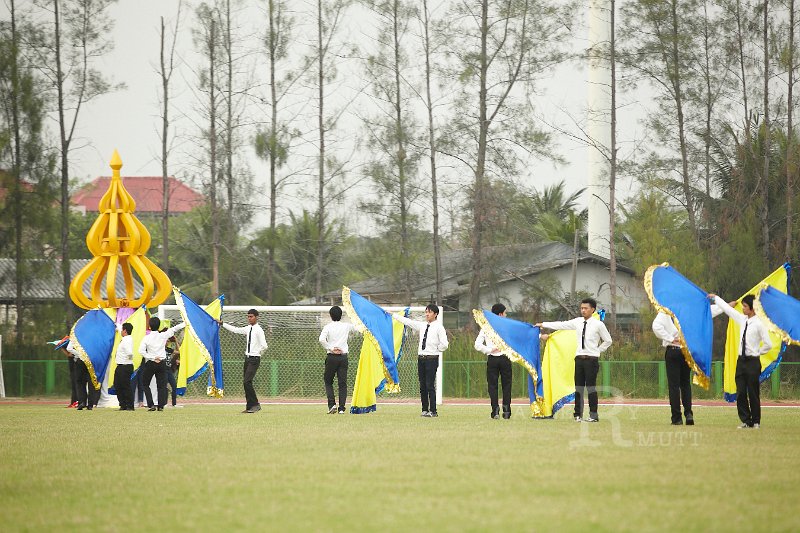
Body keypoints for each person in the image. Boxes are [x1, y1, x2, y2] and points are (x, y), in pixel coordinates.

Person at [536, 298, 612, 423]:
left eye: (586, 308)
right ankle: (578, 414)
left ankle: (593, 415)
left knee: (591, 388)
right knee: (579, 387)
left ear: (592, 309)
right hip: (579, 359)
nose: (583, 310)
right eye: (582, 308)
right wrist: (543, 324)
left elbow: (608, 340)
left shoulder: (598, 324)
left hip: (591, 359)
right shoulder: (577, 322)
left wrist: (598, 351)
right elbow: (561, 324)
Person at [709, 293, 772, 429]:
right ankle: (745, 420)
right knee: (741, 392)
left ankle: (756, 421)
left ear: (752, 308)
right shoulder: (743, 320)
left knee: (753, 393)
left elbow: (768, 344)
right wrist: (716, 298)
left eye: (745, 306)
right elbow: (728, 310)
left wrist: (757, 352)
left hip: (752, 362)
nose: (742, 309)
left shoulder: (759, 324)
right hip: (741, 362)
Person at [393, 304, 449, 418]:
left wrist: (435, 349)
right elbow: (408, 322)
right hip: (421, 358)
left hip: (431, 358)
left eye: (429, 312)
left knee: (430, 385)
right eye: (426, 312)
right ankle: (424, 409)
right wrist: (394, 315)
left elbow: (445, 344)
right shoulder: (423, 325)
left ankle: (433, 411)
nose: (427, 314)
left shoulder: (439, 327)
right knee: (422, 385)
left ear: (435, 314)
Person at [219, 309, 267, 413]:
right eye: (248, 316)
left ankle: (256, 405)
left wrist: (257, 354)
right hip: (247, 358)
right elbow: (236, 330)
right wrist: (223, 324)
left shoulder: (259, 330)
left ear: (256, 317)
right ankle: (249, 407)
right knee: (246, 383)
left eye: (251, 316)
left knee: (247, 381)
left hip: (254, 359)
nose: (249, 318)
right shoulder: (248, 328)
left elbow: (264, 345)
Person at [652, 312, 693, 426]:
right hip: (686, 351)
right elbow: (707, 312)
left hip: (673, 350)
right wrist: (724, 306)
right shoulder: (687, 310)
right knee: (685, 384)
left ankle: (677, 418)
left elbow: (656, 326)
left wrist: (670, 338)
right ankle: (689, 413)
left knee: (674, 386)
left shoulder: (665, 311)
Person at [139, 317, 186, 411]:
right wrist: (185, 323)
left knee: (145, 384)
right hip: (162, 363)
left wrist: (152, 357)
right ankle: (160, 406)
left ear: (149, 326)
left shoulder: (146, 338)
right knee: (161, 385)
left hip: (151, 363)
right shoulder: (163, 335)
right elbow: (174, 329)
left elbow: (141, 351)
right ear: (159, 326)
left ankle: (151, 404)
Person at [475, 303, 513, 419]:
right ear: (501, 314)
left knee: (492, 386)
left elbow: (477, 345)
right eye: (505, 313)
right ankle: (506, 412)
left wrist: (490, 349)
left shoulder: (486, 327)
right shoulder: (507, 326)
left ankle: (495, 411)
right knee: (507, 385)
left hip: (492, 359)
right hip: (505, 358)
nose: (506, 315)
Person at [319, 305, 357, 414]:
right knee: (342, 383)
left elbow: (321, 339)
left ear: (331, 316)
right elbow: (358, 327)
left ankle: (332, 405)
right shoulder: (346, 326)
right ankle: (341, 408)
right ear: (341, 315)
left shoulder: (328, 327)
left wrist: (331, 348)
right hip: (343, 357)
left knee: (328, 381)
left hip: (332, 357)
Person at [66, 340, 99, 411]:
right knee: (91, 382)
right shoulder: (92, 335)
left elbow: (69, 348)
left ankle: (82, 402)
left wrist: (79, 354)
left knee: (80, 382)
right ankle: (90, 404)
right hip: (91, 360)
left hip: (80, 361)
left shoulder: (75, 334)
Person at [113, 322, 135, 411]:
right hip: (121, 365)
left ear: (125, 331)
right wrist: (116, 324)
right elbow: (118, 327)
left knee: (125, 386)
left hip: (125, 366)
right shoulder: (126, 339)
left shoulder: (126, 340)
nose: (121, 331)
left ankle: (129, 405)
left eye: (122, 330)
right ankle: (123, 404)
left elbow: (129, 352)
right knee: (118, 384)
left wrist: (128, 359)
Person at [163, 331, 180, 408]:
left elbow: (179, 352)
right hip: (162, 369)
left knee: (174, 385)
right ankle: (164, 403)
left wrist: (176, 341)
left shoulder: (169, 349)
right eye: (166, 341)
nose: (167, 343)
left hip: (168, 369)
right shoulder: (159, 349)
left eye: (168, 341)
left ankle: (174, 403)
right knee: (165, 386)